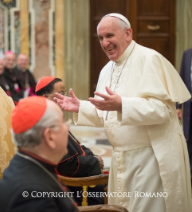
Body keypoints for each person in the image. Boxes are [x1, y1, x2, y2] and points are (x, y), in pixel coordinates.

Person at [54, 13, 192, 212]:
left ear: (128, 34)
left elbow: (162, 111)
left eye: (109, 35)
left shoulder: (150, 59)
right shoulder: (106, 70)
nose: (105, 42)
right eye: (101, 38)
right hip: (121, 161)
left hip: (150, 159)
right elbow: (107, 114)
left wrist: (122, 105)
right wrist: (81, 107)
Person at [0, 96, 78, 212]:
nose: (67, 127)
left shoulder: (30, 163)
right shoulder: (33, 198)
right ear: (49, 136)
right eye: (63, 122)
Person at [35, 76, 104, 205]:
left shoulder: (53, 118)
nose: (64, 98)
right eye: (61, 94)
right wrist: (94, 161)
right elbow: (67, 165)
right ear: (45, 97)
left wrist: (91, 156)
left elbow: (76, 145)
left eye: (64, 93)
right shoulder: (47, 125)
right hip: (71, 190)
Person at [176, 48, 192, 184]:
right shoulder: (187, 54)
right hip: (188, 107)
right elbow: (181, 81)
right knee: (188, 139)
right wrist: (177, 106)